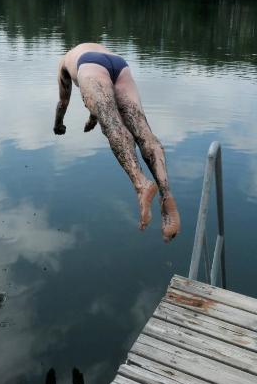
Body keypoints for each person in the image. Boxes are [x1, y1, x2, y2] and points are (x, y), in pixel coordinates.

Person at [53, 42, 180, 242]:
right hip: (119, 65)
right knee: (143, 131)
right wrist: (92, 119)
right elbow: (99, 100)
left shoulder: (65, 61)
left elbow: (63, 102)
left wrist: (58, 124)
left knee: (113, 127)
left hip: (88, 66)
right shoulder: (94, 48)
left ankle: (142, 185)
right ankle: (167, 197)